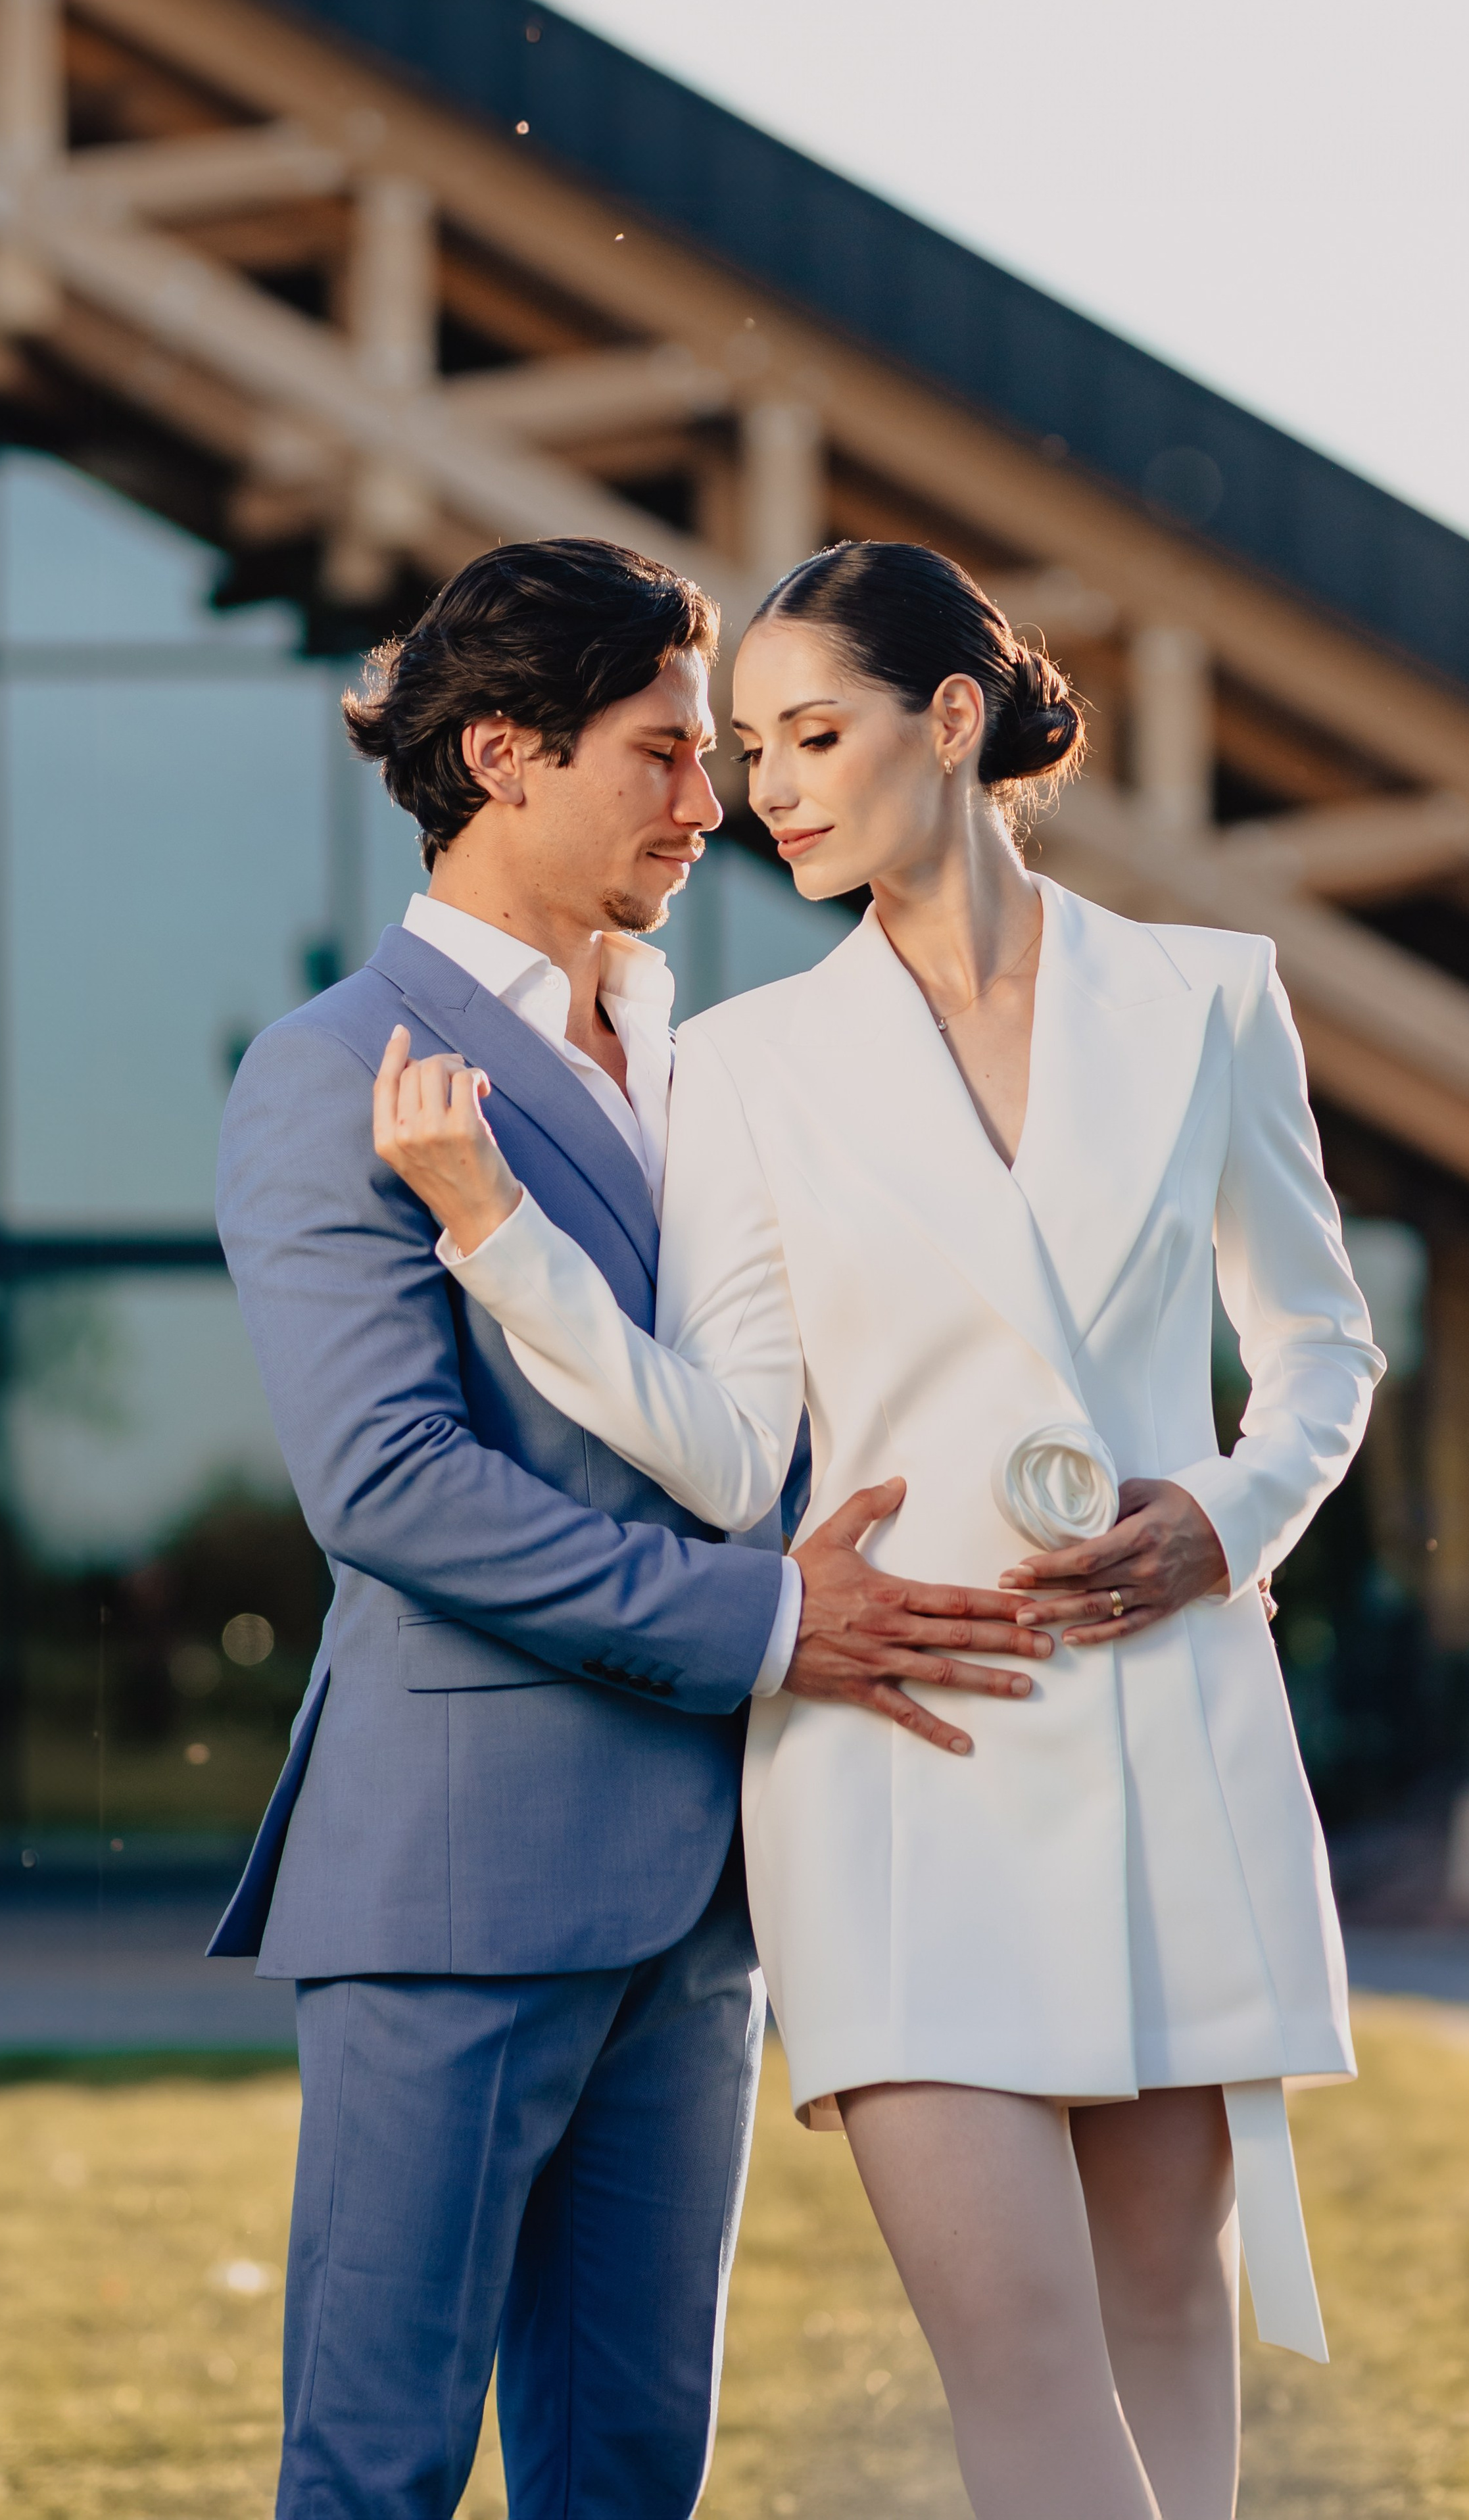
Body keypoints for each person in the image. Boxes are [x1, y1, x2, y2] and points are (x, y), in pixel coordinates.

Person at [373, 539, 1385, 2520]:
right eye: (746, 748)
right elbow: (726, 1437)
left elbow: (1324, 1344)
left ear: (953, 717)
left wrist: (1230, 1512)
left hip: (1166, 1718)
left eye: (811, 733)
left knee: (1169, 2318)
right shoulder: (746, 1065)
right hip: (897, 1765)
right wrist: (499, 1240)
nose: (765, 787)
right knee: (1021, 2357)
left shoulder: (1209, 999)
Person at [208, 537, 1047, 2520]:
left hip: (710, 1892)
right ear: (503, 753)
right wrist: (766, 1622)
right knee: (376, 2461)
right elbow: (391, 1484)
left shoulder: (715, 1062)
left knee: (631, 2470)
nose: (716, 801)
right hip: (457, 1881)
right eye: (665, 754)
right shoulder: (333, 1073)